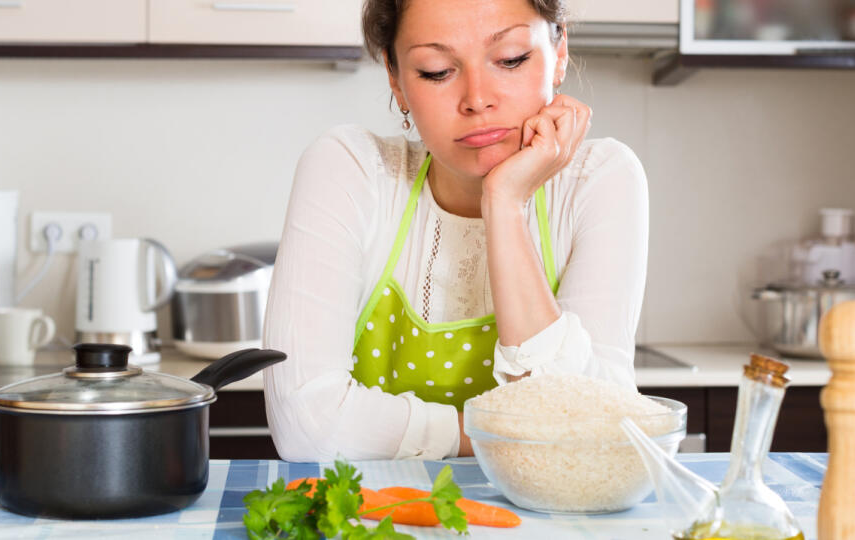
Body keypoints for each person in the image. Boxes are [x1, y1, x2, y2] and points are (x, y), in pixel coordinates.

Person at [262, 0, 648, 462]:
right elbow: (307, 429)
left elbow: (594, 433)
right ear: (395, 78)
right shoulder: (352, 169)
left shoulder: (598, 179)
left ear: (559, 49)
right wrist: (509, 435)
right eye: (437, 70)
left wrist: (504, 203)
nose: (478, 99)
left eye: (510, 60)